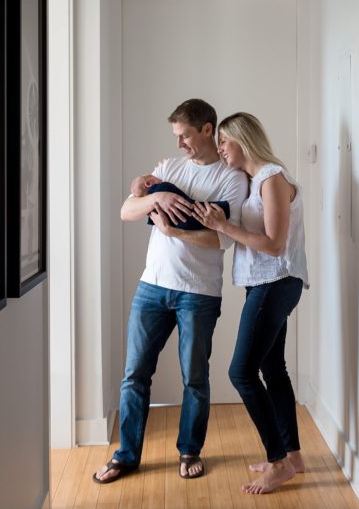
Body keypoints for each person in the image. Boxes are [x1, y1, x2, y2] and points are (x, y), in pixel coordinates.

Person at [92, 99, 248, 484]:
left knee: (194, 377)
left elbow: (221, 240)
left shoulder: (231, 178)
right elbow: (127, 211)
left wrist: (174, 230)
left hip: (198, 293)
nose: (179, 144)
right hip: (152, 286)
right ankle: (126, 455)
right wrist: (156, 197)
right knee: (134, 375)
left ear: (207, 130)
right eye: (176, 136)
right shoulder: (167, 168)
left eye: (185, 136)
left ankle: (189, 450)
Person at [192, 111, 309, 494]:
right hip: (264, 284)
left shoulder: (272, 178)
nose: (221, 149)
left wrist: (223, 227)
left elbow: (275, 245)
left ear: (242, 140)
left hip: (275, 283)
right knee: (273, 370)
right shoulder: (257, 179)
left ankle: (277, 463)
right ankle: (292, 457)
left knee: (241, 373)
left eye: (224, 141)